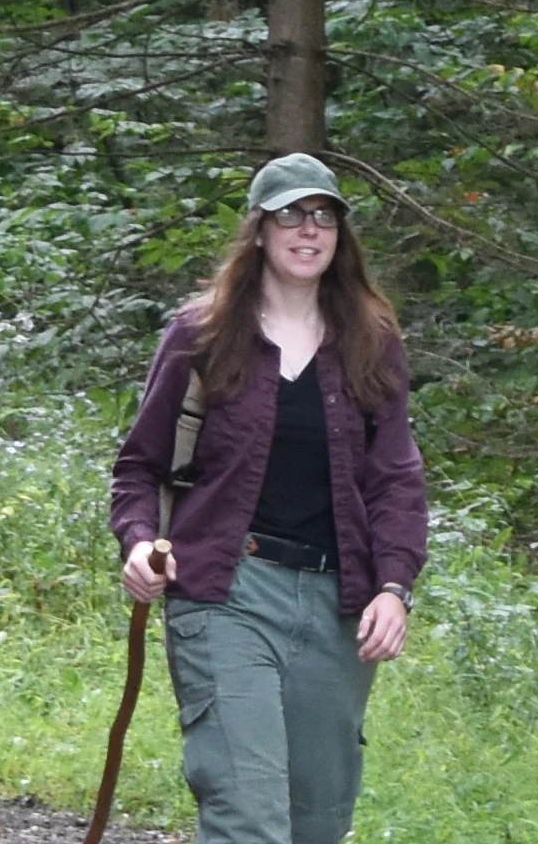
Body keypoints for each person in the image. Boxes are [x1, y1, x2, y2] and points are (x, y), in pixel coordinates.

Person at [109, 153, 431, 844]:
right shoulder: (202, 334)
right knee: (247, 815)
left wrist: (395, 586)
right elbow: (140, 464)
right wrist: (139, 540)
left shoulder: (371, 342)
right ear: (258, 230)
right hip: (225, 592)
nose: (307, 229)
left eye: (323, 216)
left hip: (335, 604)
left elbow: (396, 477)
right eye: (289, 214)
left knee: (316, 822)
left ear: (340, 235)